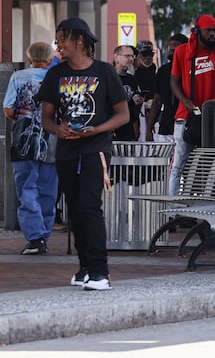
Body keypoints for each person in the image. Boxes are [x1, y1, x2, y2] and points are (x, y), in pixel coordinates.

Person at [39, 17, 130, 291]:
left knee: (90, 206)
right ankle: (84, 267)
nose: (58, 44)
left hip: (95, 149)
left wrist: (96, 130)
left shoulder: (104, 72)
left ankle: (101, 271)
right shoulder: (55, 74)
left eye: (62, 38)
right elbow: (46, 118)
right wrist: (58, 129)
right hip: (67, 151)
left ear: (79, 40)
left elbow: (123, 114)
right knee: (75, 211)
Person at [167, 15, 215, 196]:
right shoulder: (182, 52)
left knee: (213, 167)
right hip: (186, 117)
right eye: (209, 31)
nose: (213, 34)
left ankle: (209, 209)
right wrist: (184, 100)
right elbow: (174, 82)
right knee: (178, 167)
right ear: (198, 32)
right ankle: (172, 216)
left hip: (214, 120)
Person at [4, 42, 58, 255]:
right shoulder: (57, 77)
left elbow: (8, 109)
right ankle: (44, 234)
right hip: (52, 137)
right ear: (50, 57)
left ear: (29, 58)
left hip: (23, 139)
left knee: (26, 187)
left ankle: (35, 237)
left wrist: (23, 117)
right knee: (48, 188)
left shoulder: (18, 77)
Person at [147, 33, 188, 143]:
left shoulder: (190, 70)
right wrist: (149, 129)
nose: (171, 48)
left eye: (176, 45)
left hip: (186, 126)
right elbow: (157, 100)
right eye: (170, 45)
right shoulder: (163, 71)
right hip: (166, 126)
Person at [112, 45, 142, 141]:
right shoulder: (109, 76)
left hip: (129, 125)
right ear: (116, 57)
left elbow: (134, 106)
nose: (130, 59)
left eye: (132, 56)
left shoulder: (132, 79)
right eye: (127, 56)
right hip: (112, 125)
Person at [134, 40, 157, 139]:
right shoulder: (132, 71)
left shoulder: (152, 69)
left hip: (150, 110)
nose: (148, 57)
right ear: (138, 55)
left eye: (151, 54)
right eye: (144, 54)